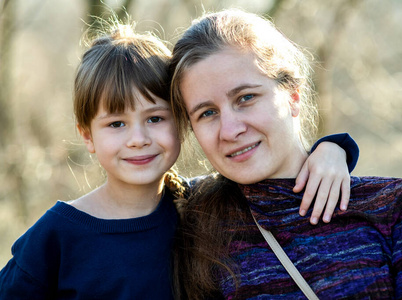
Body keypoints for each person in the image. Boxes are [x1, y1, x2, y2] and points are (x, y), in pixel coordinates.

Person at [0, 18, 358, 299]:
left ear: (182, 122)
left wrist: (333, 149)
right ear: (87, 136)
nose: (138, 139)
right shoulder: (57, 236)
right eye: (116, 123)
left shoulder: (201, 207)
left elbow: (278, 177)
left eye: (155, 119)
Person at [169, 8, 402, 299]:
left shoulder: (398, 205)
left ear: (293, 96)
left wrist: (336, 146)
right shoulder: (191, 223)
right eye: (207, 113)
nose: (229, 130)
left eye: (246, 98)